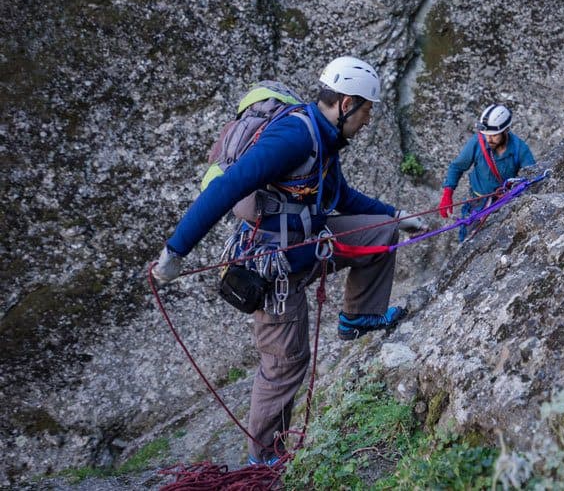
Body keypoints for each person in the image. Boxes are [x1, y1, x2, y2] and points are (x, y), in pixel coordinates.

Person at [151, 56, 423, 465]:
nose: (368, 120)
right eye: (367, 110)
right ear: (347, 104)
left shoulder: (326, 139)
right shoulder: (295, 137)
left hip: (306, 245)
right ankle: (263, 460)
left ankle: (359, 318)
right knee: (286, 362)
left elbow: (342, 197)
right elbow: (228, 187)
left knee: (380, 232)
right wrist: (175, 252)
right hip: (271, 264)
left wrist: (395, 216)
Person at [439, 104, 535, 240]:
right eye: (486, 135)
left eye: (494, 135)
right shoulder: (478, 143)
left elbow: (531, 176)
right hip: (477, 202)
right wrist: (448, 193)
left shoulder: (519, 149)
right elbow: (457, 166)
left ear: (506, 130)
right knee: (468, 240)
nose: (489, 139)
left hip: (505, 201)